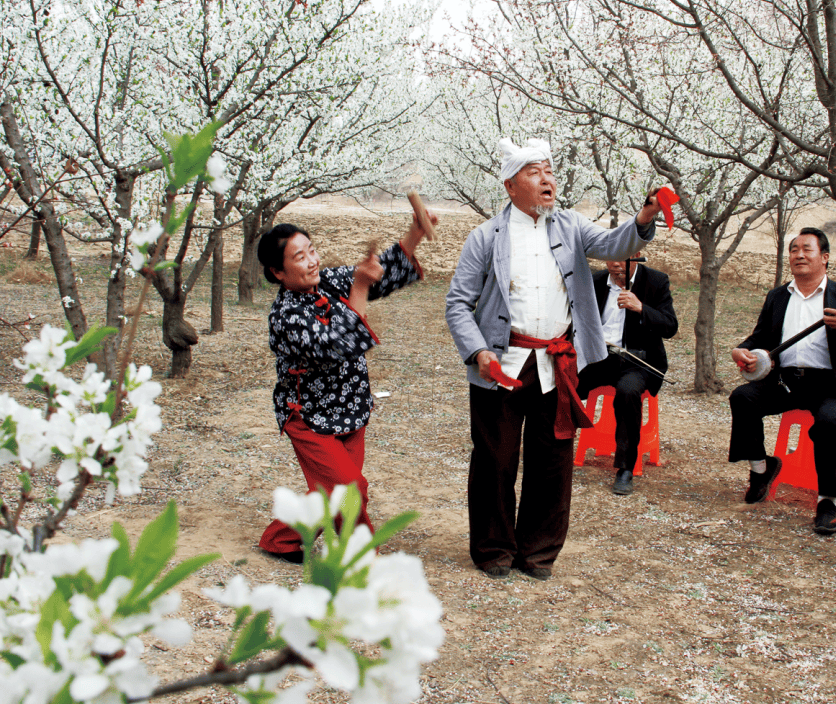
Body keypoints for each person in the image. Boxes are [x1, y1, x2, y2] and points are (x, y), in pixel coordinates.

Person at [445, 137, 662, 580]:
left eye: (549, 171)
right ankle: (494, 550)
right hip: (502, 364)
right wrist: (479, 350)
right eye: (534, 172)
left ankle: (538, 553)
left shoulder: (569, 225)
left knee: (554, 457)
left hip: (558, 361)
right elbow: (457, 303)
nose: (547, 180)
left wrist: (644, 216)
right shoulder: (486, 237)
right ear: (510, 185)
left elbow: (614, 243)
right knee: (496, 458)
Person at [256, 214, 435, 563]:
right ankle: (360, 559)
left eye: (312, 250)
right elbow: (337, 344)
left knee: (330, 491)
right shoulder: (285, 316)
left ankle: (281, 540)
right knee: (350, 490)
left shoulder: (325, 282)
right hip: (308, 416)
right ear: (278, 272)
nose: (313, 261)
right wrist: (361, 288)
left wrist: (413, 235)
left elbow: (373, 275)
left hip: (350, 406)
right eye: (300, 257)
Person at [728, 228, 836, 535]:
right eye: (794, 249)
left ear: (825, 258)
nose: (798, 255)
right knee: (742, 397)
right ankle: (760, 469)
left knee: (827, 420)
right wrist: (742, 350)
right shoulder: (778, 296)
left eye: (806, 249)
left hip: (830, 385)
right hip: (785, 381)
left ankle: (827, 501)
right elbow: (762, 338)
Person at [576, 259, 678, 495]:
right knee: (564, 381)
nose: (615, 263)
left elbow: (670, 327)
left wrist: (641, 307)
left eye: (622, 257)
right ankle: (554, 447)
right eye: (610, 257)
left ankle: (625, 467)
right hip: (599, 358)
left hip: (637, 361)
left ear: (637, 254)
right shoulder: (596, 280)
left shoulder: (655, 281)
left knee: (628, 392)